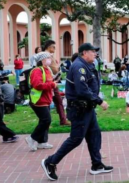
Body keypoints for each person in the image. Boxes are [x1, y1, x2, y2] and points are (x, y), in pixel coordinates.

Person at [41, 43, 113, 181]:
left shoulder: (87, 65)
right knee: (76, 139)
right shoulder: (79, 66)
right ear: (84, 53)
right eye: (93, 51)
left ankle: (97, 165)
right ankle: (50, 161)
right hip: (79, 109)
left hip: (87, 108)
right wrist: (99, 101)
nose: (95, 54)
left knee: (94, 135)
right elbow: (82, 90)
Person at [25, 52, 58, 151]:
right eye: (48, 57)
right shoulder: (37, 70)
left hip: (46, 99)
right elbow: (37, 85)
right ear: (42, 60)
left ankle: (42, 142)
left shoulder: (47, 70)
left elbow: (48, 82)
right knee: (46, 120)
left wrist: (52, 84)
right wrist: (52, 85)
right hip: (38, 100)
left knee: (44, 121)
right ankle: (31, 138)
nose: (50, 59)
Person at [43, 40, 70, 126]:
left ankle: (61, 120)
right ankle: (61, 120)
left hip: (51, 81)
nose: (55, 49)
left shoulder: (47, 55)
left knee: (55, 101)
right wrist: (58, 68)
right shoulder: (47, 56)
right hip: (49, 82)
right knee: (56, 101)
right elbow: (54, 69)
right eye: (53, 47)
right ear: (49, 47)